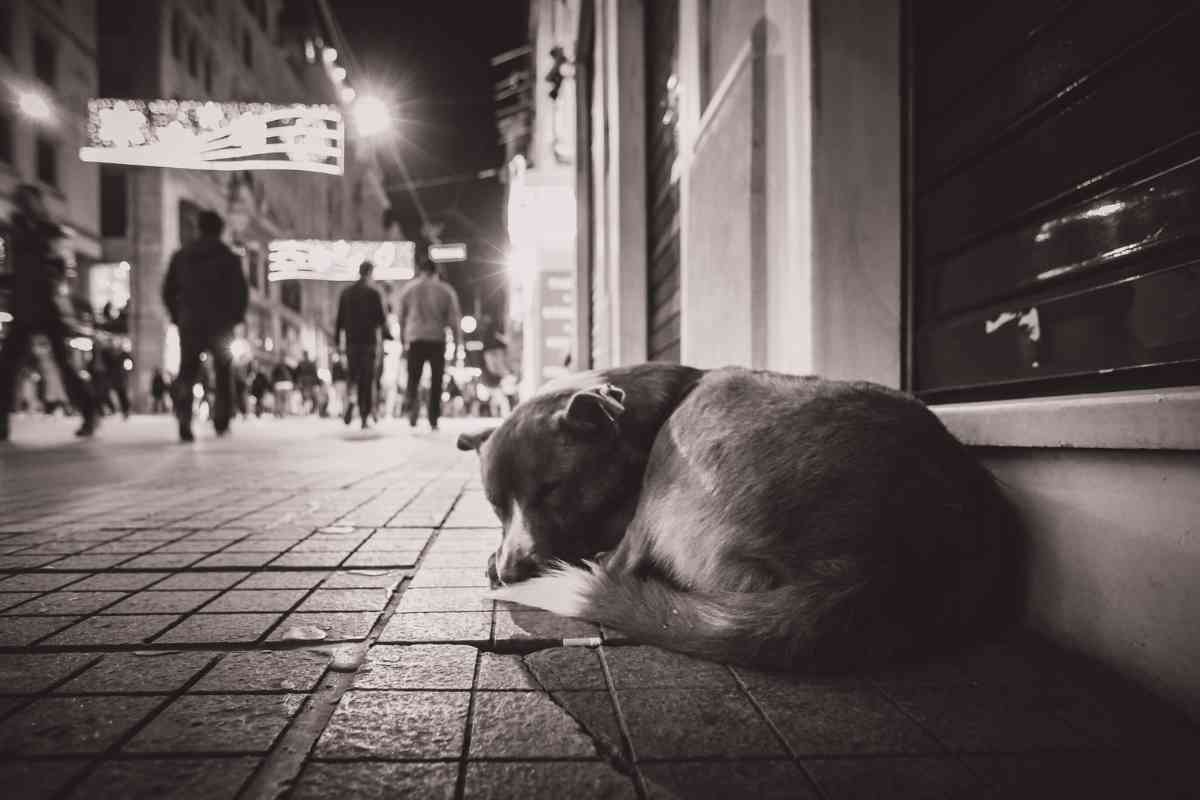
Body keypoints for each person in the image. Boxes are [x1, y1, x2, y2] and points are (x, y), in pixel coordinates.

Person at [0, 184, 99, 441]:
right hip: (23, 306)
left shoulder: (49, 232)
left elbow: (62, 267)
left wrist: (54, 276)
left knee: (63, 365)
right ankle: (1, 424)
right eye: (21, 201)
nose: (24, 205)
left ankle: (89, 411)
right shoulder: (12, 231)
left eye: (29, 201)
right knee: (8, 367)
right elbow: (7, 267)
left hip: (46, 306)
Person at [161, 209, 248, 442]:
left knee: (187, 371)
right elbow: (241, 293)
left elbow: (168, 290)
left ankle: (184, 419)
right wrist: (235, 317)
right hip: (221, 323)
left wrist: (177, 315)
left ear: (199, 228)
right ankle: (221, 420)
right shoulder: (229, 257)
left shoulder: (182, 256)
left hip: (190, 321)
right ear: (220, 230)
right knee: (222, 372)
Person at [397, 251, 462, 430]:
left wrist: (402, 341)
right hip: (436, 340)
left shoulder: (408, 289)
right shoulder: (445, 291)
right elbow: (453, 322)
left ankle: (413, 409)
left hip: (415, 339)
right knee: (436, 380)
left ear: (420, 270)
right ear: (436, 272)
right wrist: (456, 347)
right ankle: (433, 417)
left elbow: (401, 318)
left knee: (413, 378)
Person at [335, 260, 389, 429]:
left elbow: (339, 320)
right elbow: (381, 320)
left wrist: (337, 340)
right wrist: (388, 336)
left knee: (353, 376)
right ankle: (365, 416)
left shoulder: (346, 293)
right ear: (370, 273)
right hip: (368, 342)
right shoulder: (374, 293)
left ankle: (350, 401)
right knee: (367, 378)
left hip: (351, 342)